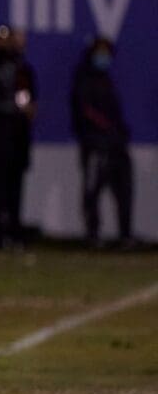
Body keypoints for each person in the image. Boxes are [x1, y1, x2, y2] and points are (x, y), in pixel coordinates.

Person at [70, 35, 133, 248]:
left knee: (124, 189)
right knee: (93, 189)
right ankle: (93, 234)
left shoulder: (106, 79)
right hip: (95, 143)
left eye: (107, 53)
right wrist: (105, 128)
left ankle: (125, 234)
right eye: (100, 52)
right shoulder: (84, 79)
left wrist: (119, 132)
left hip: (116, 144)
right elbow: (85, 111)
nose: (104, 57)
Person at [0, 24, 36, 249]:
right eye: (0, 39)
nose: (5, 43)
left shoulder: (20, 66)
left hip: (17, 135)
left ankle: (13, 231)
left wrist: (27, 108)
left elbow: (26, 97)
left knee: (15, 186)